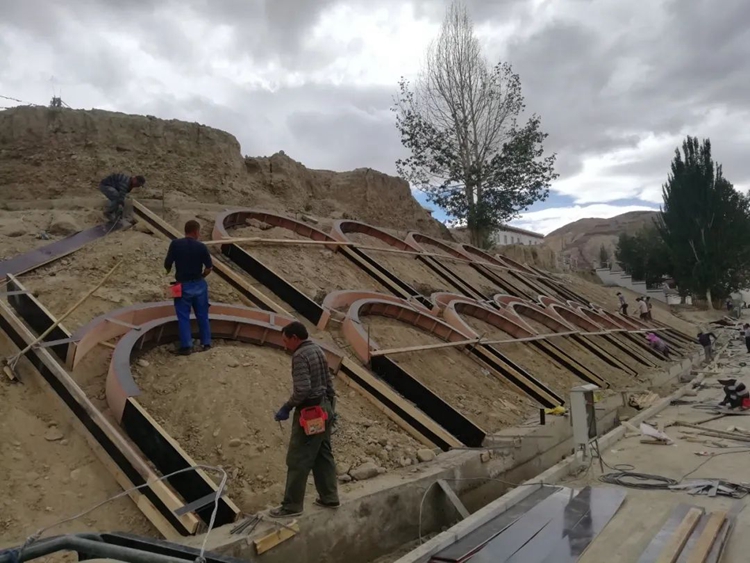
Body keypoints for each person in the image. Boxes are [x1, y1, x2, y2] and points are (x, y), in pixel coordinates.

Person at [271, 321, 338, 518]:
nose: (285, 346)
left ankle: (292, 506)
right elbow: (328, 382)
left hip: (310, 413)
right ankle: (330, 496)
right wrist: (330, 409)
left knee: (298, 458)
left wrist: (287, 406)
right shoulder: (317, 350)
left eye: (286, 341)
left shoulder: (300, 356)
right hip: (324, 407)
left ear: (295, 338)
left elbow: (303, 389)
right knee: (323, 454)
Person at [164, 220, 212, 356]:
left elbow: (167, 264)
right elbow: (209, 268)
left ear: (186, 231)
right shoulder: (201, 247)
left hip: (181, 285)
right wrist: (202, 276)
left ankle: (186, 346)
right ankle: (206, 343)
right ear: (196, 232)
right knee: (203, 315)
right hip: (199, 284)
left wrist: (167, 272)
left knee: (183, 316)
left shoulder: (175, 244)